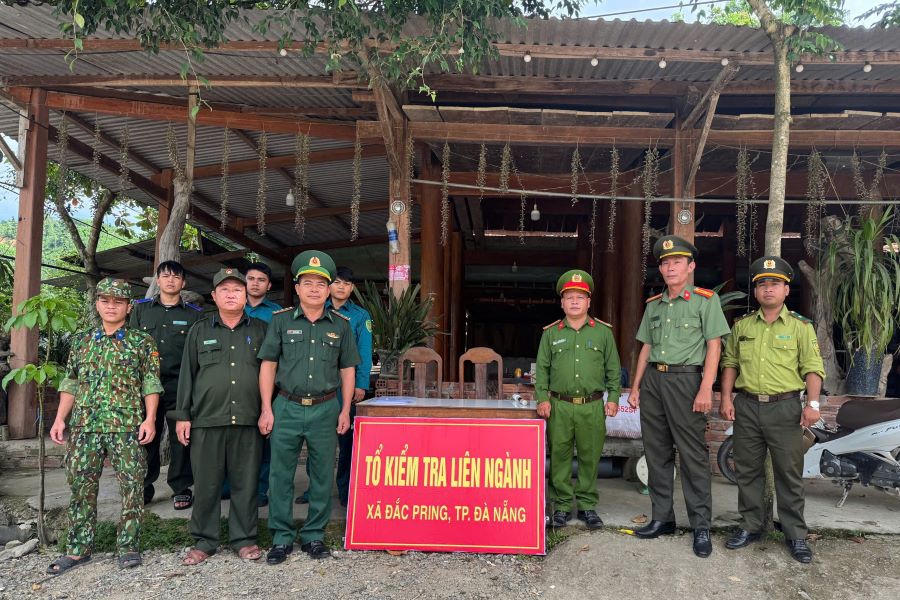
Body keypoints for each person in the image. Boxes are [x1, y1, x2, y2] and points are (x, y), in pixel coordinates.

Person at [47, 278, 163, 574]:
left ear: (128, 307)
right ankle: (78, 550)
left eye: (118, 301)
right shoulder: (81, 341)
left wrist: (150, 419)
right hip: (85, 427)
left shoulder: (141, 342)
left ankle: (128, 547)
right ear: (97, 304)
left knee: (132, 487)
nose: (111, 306)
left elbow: (150, 383)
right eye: (105, 300)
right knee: (81, 488)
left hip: (126, 426)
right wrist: (60, 418)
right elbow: (71, 382)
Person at [629, 235, 730, 558]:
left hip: (687, 381)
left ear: (690, 266)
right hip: (654, 382)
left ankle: (701, 526)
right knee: (656, 452)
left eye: (677, 262)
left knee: (692, 455)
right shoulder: (653, 305)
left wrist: (706, 387)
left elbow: (714, 345)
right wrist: (635, 387)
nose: (670, 267)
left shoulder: (705, 300)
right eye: (665, 263)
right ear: (660, 269)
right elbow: (646, 348)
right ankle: (662, 518)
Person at [720, 256, 825, 564]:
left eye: (775, 284)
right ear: (755, 291)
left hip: (786, 408)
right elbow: (730, 363)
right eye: (762, 284)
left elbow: (813, 368)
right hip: (747, 406)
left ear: (786, 289)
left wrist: (813, 404)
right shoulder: (742, 326)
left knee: (788, 474)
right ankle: (750, 525)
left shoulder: (800, 327)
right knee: (747, 471)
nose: (768, 289)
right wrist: (725, 398)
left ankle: (795, 534)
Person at [258, 250, 360, 563]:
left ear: (328, 290)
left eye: (320, 284)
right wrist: (266, 408)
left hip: (325, 408)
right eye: (308, 283)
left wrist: (345, 410)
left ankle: (314, 535)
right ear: (297, 288)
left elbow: (347, 370)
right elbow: (268, 365)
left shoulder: (341, 325)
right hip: (286, 406)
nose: (314, 289)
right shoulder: (280, 321)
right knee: (280, 475)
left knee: (321, 475)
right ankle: (281, 537)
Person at [171, 268, 268, 565]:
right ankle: (205, 540)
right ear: (214, 296)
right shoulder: (200, 330)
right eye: (224, 290)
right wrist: (183, 415)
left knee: (246, 483)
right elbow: (187, 374)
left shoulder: (261, 330)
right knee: (207, 484)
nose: (231, 294)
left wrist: (268, 411)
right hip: (206, 420)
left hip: (249, 419)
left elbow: (272, 374)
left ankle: (244, 538)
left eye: (237, 290)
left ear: (246, 295)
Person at [535, 269, 621, 529]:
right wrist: (542, 397)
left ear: (588, 302)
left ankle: (586, 505)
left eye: (580, 297)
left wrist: (613, 397)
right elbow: (542, 369)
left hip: (592, 406)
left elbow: (613, 369)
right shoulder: (551, 333)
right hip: (559, 406)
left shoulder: (603, 333)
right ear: (562, 303)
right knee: (559, 456)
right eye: (569, 297)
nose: (574, 301)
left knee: (590, 456)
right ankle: (561, 506)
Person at [296, 266, 373, 507]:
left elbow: (364, 352)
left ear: (352, 288)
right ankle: (314, 489)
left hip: (347, 387)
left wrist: (361, 384)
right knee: (316, 438)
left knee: (346, 441)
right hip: (319, 384)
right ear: (329, 286)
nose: (341, 287)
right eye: (337, 282)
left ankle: (346, 490)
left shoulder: (360, 315)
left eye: (346, 284)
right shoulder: (316, 309)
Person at [130, 260, 202, 510]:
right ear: (157, 280)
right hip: (146, 386)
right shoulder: (141, 310)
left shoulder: (194, 315)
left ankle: (181, 488)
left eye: (176, 277)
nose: (171, 280)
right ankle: (144, 486)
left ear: (183, 282)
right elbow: (132, 347)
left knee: (181, 438)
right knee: (145, 437)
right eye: (166, 276)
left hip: (179, 386)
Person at [218, 261, 282, 507]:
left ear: (269, 285)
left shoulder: (277, 314)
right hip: (232, 384)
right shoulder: (231, 307)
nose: (255, 284)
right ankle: (227, 485)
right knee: (230, 437)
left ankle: (260, 489)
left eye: (261, 280)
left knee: (263, 437)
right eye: (251, 279)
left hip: (265, 385)